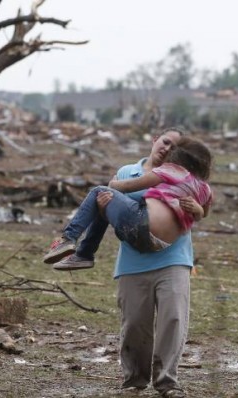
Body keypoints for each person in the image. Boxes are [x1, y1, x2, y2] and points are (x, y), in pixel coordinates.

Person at [55, 127, 207, 398]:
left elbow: (204, 205)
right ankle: (134, 381)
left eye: (174, 146)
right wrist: (104, 205)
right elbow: (113, 207)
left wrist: (199, 210)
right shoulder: (128, 172)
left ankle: (168, 382)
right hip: (133, 262)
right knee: (135, 324)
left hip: (174, 259)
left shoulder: (186, 176)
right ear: (154, 140)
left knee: (173, 319)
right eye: (164, 141)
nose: (166, 148)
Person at [42, 136, 212, 270]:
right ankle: (83, 254)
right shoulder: (205, 188)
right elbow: (204, 213)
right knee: (106, 201)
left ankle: (69, 240)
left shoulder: (172, 170)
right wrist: (198, 210)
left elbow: (130, 186)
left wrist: (113, 184)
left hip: (142, 225)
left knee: (99, 192)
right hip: (160, 244)